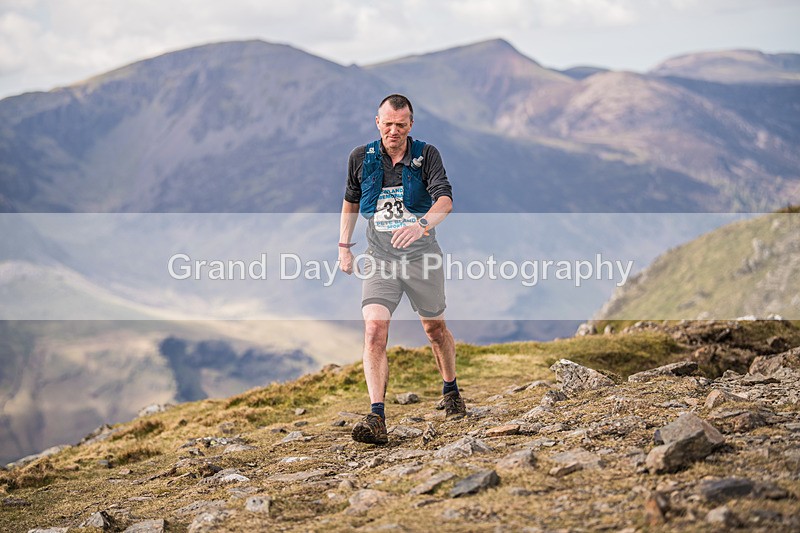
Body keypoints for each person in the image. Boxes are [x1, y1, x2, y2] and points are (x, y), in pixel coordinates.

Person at [338, 94, 466, 445]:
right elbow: (350, 201)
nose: (394, 130)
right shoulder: (360, 158)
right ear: (377, 122)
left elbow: (445, 200)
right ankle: (376, 415)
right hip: (379, 257)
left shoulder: (427, 155)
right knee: (374, 329)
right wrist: (344, 247)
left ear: (411, 125)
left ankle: (451, 389)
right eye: (388, 123)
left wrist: (421, 225)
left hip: (422, 256)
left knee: (434, 328)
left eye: (401, 124)